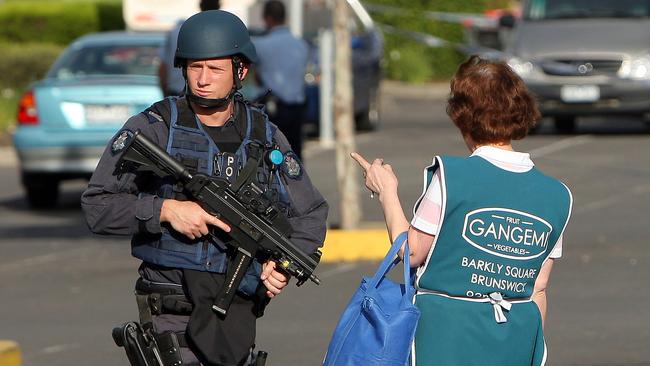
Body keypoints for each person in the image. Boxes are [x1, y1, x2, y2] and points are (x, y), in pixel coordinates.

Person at [82, 10, 328, 366]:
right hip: (171, 311)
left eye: (215, 69)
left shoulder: (264, 135)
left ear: (240, 71)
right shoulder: (155, 129)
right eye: (195, 67)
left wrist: (282, 265)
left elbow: (311, 213)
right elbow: (97, 206)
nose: (202, 79)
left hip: (234, 316)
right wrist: (166, 211)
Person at [351, 55, 572, 365]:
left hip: (445, 337)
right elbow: (539, 287)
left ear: (462, 116)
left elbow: (412, 252)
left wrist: (387, 191)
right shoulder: (558, 195)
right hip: (515, 338)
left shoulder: (451, 177)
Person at [252, 0, 309, 159]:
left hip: (274, 109)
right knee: (295, 155)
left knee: (271, 155)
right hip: (297, 108)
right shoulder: (301, 44)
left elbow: (256, 76)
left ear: (267, 18)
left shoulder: (261, 45)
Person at [158, 0, 221, 97]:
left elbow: (163, 66)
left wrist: (164, 92)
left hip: (177, 91)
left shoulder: (179, 30)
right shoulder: (224, 33)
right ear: (219, 6)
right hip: (210, 95)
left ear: (200, 5)